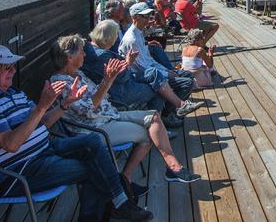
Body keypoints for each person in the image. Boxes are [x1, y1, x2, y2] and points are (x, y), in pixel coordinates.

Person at [0, 44, 151, 221]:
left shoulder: (14, 93)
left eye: (12, 66)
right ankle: (118, 204)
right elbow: (12, 144)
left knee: (93, 141)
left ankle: (119, 203)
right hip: (21, 171)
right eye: (6, 67)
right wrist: (41, 107)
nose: (12, 70)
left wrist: (64, 104)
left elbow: (43, 123)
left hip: (45, 150)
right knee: (93, 169)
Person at [50, 35, 202, 189]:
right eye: (81, 51)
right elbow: (89, 110)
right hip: (94, 129)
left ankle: (173, 168)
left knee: (154, 117)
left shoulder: (78, 74)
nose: (85, 54)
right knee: (148, 135)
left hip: (109, 115)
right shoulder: (60, 83)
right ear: (69, 57)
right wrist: (107, 80)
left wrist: (112, 77)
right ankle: (126, 179)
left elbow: (101, 97)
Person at [118, 3, 204, 122]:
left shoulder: (138, 33)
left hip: (150, 71)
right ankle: (168, 114)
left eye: (149, 15)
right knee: (186, 83)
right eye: (145, 16)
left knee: (187, 75)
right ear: (135, 17)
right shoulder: (132, 39)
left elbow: (148, 60)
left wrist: (168, 71)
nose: (149, 18)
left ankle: (173, 110)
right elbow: (143, 68)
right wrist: (166, 73)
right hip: (141, 76)